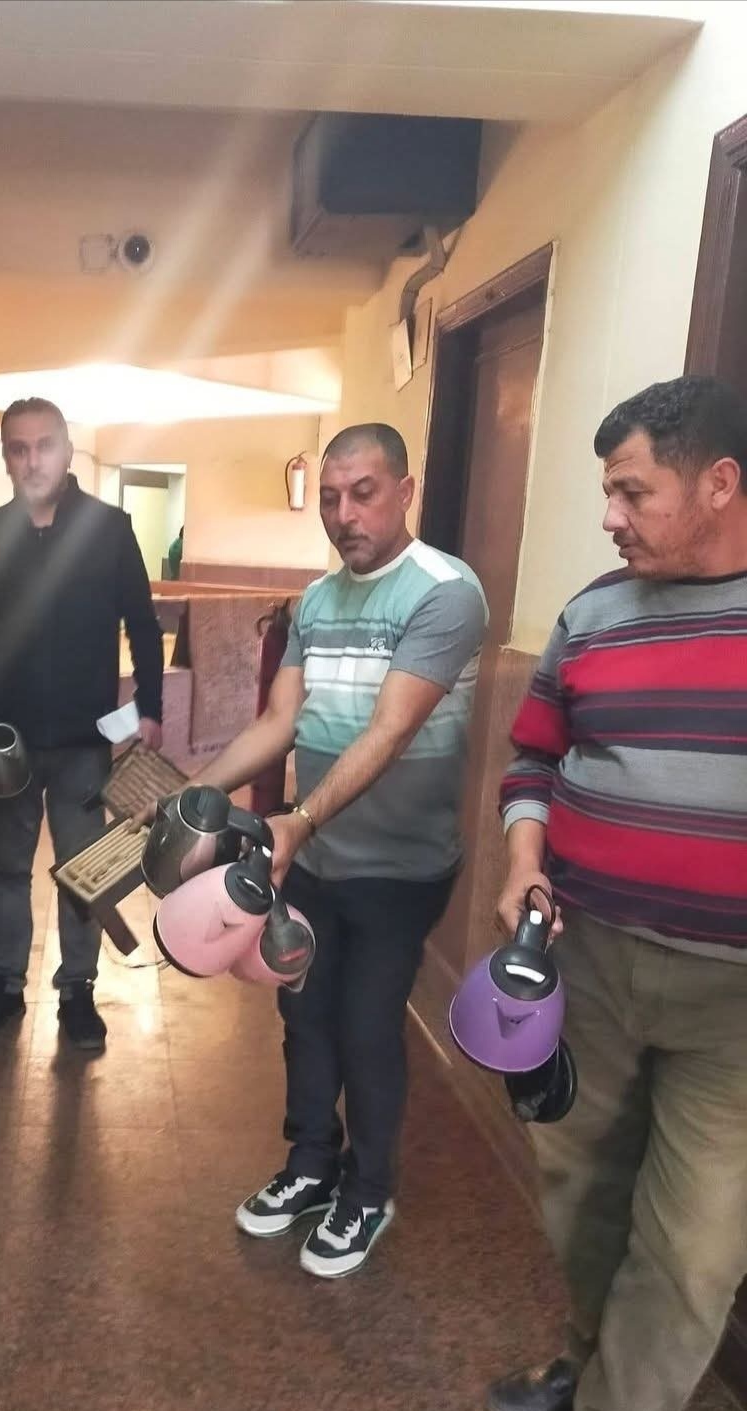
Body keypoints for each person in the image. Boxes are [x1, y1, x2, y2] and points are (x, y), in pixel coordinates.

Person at [162, 423, 487, 1277]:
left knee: (366, 1022)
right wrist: (193, 792)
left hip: (399, 866)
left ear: (405, 491)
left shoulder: (447, 593)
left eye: (364, 493)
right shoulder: (313, 602)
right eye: (332, 498)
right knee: (303, 1012)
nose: (344, 514)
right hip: (310, 860)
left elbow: (391, 730)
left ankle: (368, 1190)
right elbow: (281, 721)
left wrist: (298, 818)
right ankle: (310, 1162)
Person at [488, 375, 747, 1411]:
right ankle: (589, 1359)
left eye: (633, 492)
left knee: (695, 1251)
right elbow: (531, 760)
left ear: (719, 482)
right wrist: (523, 860)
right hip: (586, 959)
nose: (610, 516)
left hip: (733, 1006)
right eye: (609, 492)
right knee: (578, 1192)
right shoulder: (592, 614)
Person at [0, 397, 164, 1051]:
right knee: (9, 867)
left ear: (68, 451)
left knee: (86, 870)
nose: (32, 460)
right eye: (18, 448)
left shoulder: (108, 528)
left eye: (44, 445)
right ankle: (4, 985)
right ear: (6, 457)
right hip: (9, 742)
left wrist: (150, 707)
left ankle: (77, 990)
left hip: (84, 743)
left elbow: (143, 624)